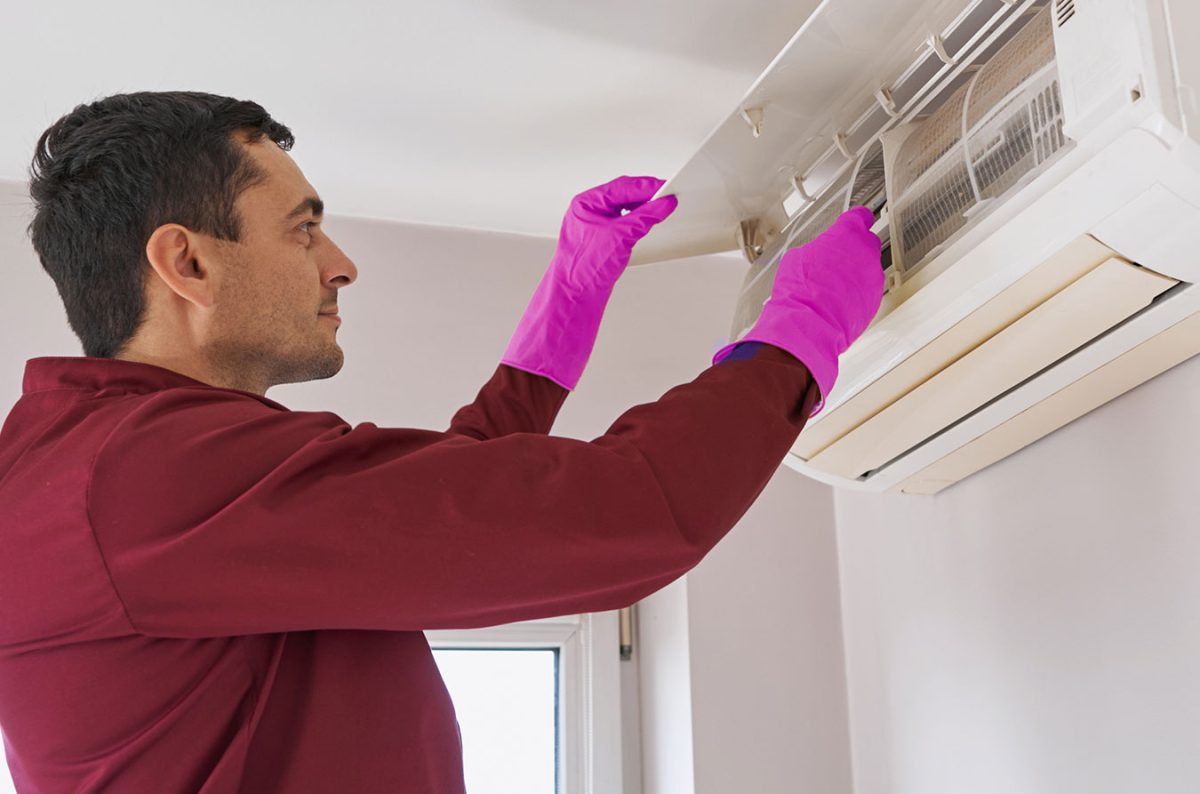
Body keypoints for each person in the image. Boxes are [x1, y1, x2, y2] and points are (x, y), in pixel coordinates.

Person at [0, 91, 883, 793]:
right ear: (188, 263)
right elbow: (625, 511)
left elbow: (439, 508)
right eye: (303, 229)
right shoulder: (141, 478)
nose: (339, 262)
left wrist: (566, 305)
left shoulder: (107, 464)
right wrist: (797, 336)